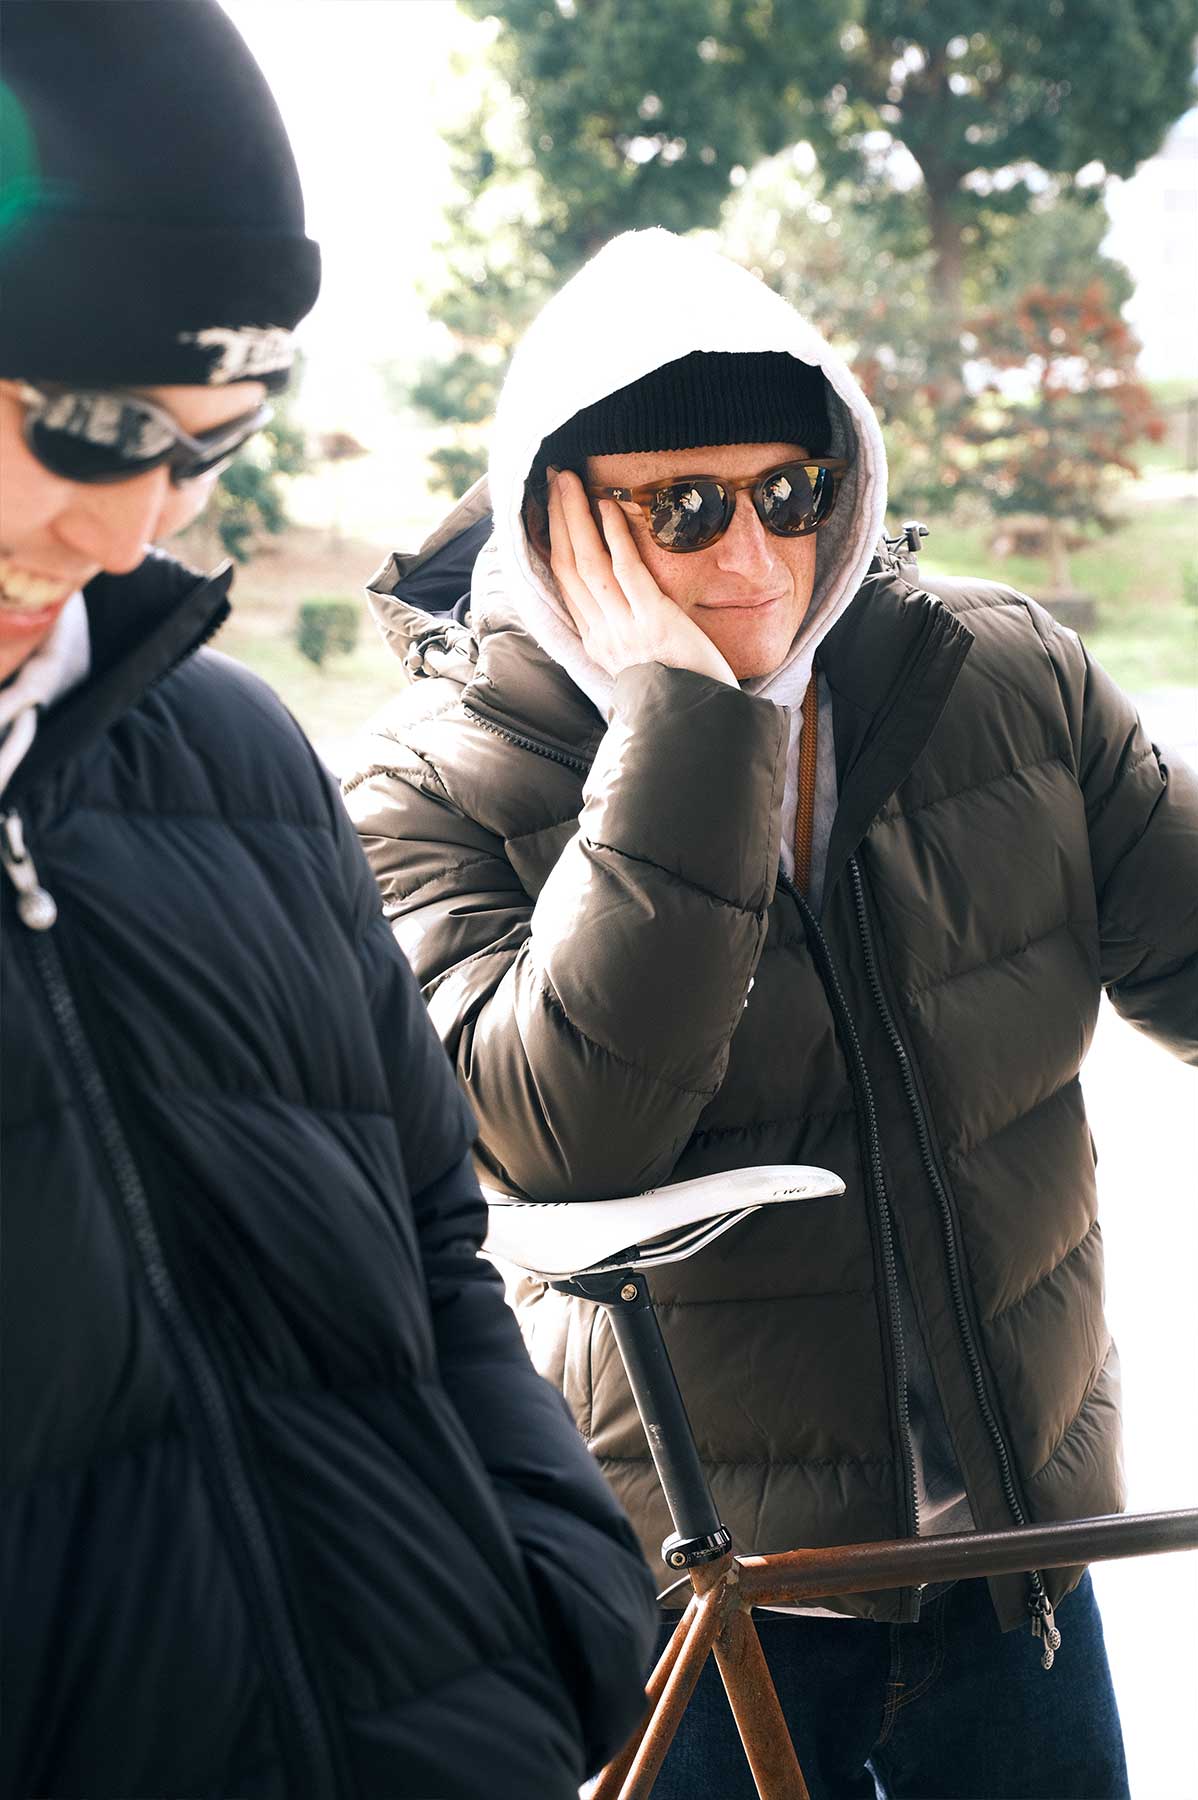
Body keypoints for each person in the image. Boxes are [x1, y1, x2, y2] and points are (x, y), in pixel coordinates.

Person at [344, 226, 1198, 1799]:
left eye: (793, 494)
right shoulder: (422, 786)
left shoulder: (999, 678)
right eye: (684, 508)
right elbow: (569, 1136)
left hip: (1013, 1562)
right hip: (700, 1586)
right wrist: (688, 723)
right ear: (553, 514)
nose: (756, 557)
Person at [0, 8, 658, 1797]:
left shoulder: (232, 750)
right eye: (88, 427)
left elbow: (431, 1237)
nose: (131, 532)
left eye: (206, 447)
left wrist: (560, 1606)